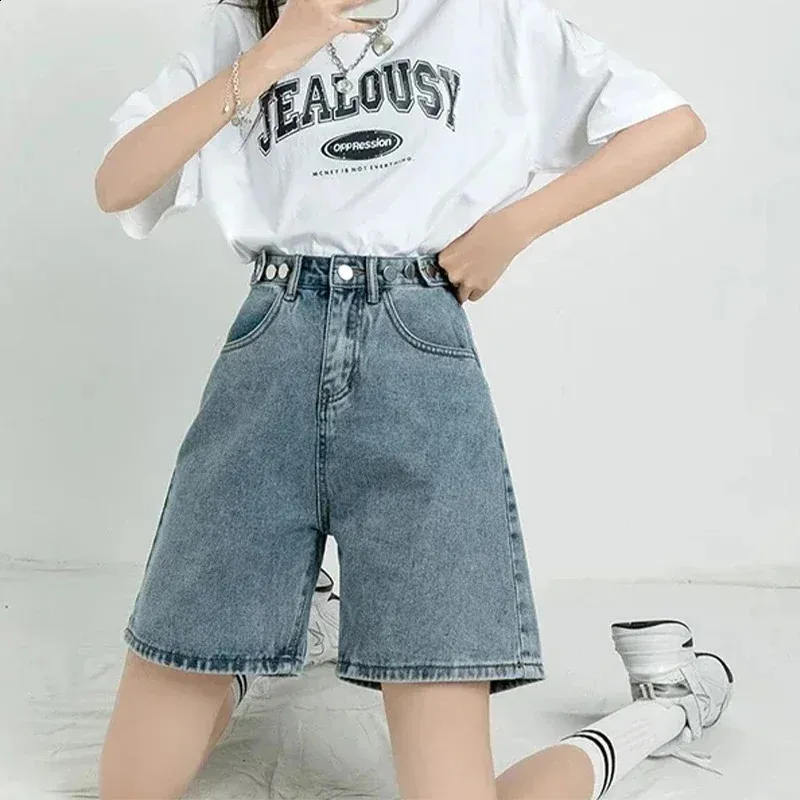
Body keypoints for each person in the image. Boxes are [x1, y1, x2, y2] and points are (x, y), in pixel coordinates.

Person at [94, 0, 733, 798]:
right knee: (130, 788)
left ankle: (667, 705)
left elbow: (670, 123)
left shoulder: (486, 18)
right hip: (267, 356)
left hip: (417, 358)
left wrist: (513, 228)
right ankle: (286, 627)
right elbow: (118, 184)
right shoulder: (243, 29)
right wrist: (279, 50)